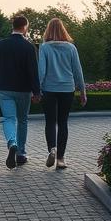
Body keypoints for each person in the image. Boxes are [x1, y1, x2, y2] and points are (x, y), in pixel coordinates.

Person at [0, 15, 40, 169]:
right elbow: (33, 72)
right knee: (22, 120)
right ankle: (21, 154)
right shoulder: (29, 47)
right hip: (23, 90)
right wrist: (36, 92)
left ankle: (12, 143)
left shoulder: (0, 45)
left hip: (4, 88)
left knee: (8, 119)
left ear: (12, 26)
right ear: (25, 27)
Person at [38, 18, 87, 169]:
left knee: (50, 121)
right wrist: (82, 91)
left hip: (49, 89)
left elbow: (41, 71)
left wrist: (37, 89)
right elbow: (77, 70)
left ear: (48, 30)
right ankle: (61, 159)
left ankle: (52, 148)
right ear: (63, 30)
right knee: (63, 122)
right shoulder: (71, 48)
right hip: (67, 89)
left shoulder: (44, 47)